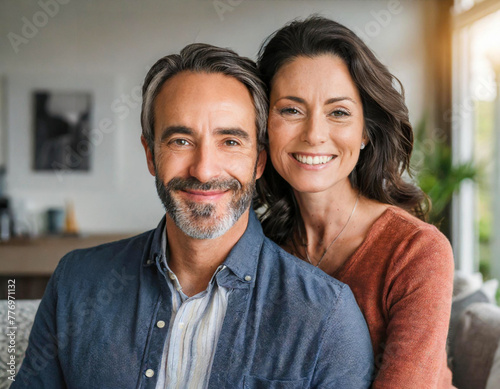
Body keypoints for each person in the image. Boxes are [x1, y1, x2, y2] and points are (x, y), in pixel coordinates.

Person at [13, 43, 373, 389]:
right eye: (180, 141)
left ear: (259, 160)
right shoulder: (76, 284)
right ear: (151, 155)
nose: (203, 170)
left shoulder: (327, 318)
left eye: (230, 141)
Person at [255, 16, 455, 388]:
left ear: (365, 131)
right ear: (264, 124)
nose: (314, 134)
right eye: (291, 110)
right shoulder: (262, 247)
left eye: (339, 112)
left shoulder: (416, 251)